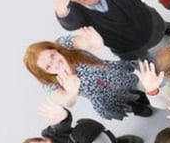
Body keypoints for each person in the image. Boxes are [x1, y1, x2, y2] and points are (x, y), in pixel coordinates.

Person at [23, 30, 153, 120]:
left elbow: (83, 42)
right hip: (104, 96)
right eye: (48, 66)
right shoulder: (50, 84)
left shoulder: (63, 44)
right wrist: (71, 93)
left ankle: (142, 96)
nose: (55, 63)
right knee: (126, 102)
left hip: (112, 73)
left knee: (133, 86)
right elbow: (66, 102)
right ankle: (136, 107)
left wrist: (93, 43)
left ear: (55, 49)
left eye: (52, 56)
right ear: (44, 72)